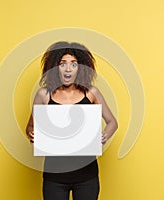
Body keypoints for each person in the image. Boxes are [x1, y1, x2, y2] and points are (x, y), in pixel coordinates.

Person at [26, 41, 118, 200]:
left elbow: (112, 122)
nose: (68, 69)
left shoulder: (91, 93)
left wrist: (104, 135)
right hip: (54, 176)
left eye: (73, 64)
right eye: (63, 64)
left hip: (87, 176)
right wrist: (33, 135)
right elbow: (30, 127)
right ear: (55, 67)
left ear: (80, 68)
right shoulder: (44, 95)